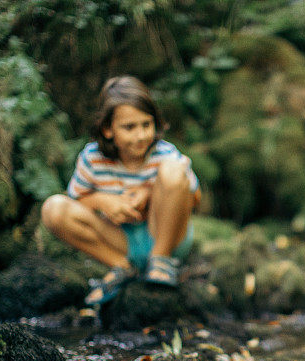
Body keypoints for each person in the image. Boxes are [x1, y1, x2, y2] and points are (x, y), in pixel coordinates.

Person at [41, 76, 201, 306]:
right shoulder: (92, 158)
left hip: (166, 236)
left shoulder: (165, 153)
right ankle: (122, 267)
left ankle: (161, 261)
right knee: (53, 208)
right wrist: (102, 201)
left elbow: (195, 198)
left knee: (176, 170)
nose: (141, 135)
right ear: (108, 129)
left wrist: (150, 192)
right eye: (129, 127)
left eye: (146, 125)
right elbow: (76, 202)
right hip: (121, 241)